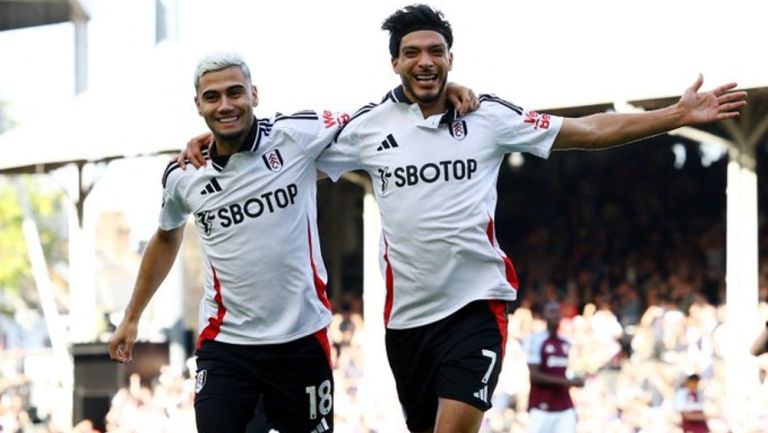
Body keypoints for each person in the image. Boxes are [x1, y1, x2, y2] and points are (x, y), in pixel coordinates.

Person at [181, 5, 746, 432]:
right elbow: (277, 150)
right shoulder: (366, 129)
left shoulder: (487, 117)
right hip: (406, 325)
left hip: (476, 307)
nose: (425, 61)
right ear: (395, 62)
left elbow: (589, 131)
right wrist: (216, 137)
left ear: (451, 58)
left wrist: (674, 114)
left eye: (436, 51)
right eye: (412, 52)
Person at [108, 52, 344, 433]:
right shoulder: (184, 174)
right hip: (227, 347)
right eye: (213, 97)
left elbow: (374, 124)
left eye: (235, 93)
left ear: (254, 94)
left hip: (301, 341)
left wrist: (440, 93)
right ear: (198, 105)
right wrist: (131, 317)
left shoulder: (296, 137)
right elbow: (167, 237)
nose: (225, 105)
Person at [523, 301, 584, 433]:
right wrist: (567, 381)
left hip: (565, 406)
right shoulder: (535, 340)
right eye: (551, 311)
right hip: (541, 406)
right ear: (544, 315)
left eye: (558, 311)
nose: (556, 315)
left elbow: (571, 370)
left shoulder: (566, 343)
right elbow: (534, 376)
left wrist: (578, 378)